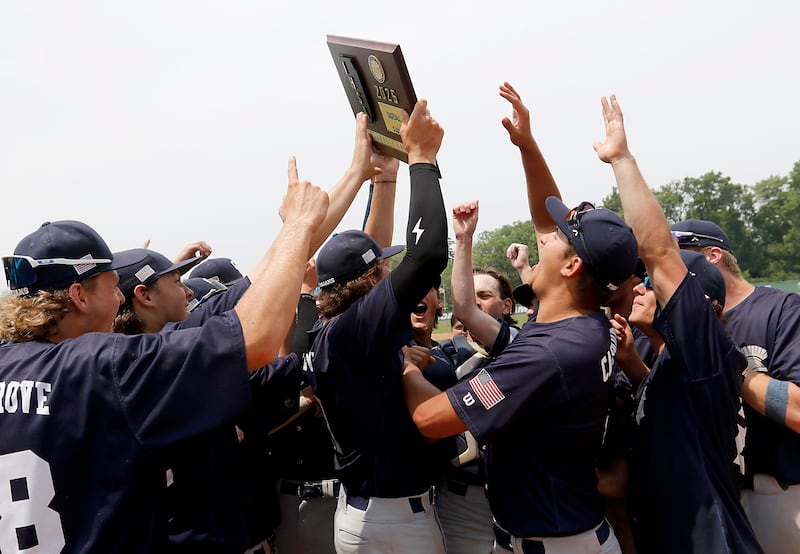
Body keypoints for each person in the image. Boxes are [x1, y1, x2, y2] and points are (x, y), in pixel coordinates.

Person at [0, 165, 327, 551]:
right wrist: (298, 225)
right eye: (110, 287)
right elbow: (255, 342)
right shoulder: (100, 363)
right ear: (78, 295)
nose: (120, 298)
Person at [403, 82, 637, 553]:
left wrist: (401, 366)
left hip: (555, 543)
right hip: (566, 531)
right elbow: (548, 219)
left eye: (558, 239)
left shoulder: (547, 352)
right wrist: (527, 145)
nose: (545, 237)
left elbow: (430, 419)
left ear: (571, 267)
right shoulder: (583, 324)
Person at [595, 93, 762, 553]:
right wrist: (632, 360)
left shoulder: (710, 355)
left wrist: (622, 159)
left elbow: (660, 252)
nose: (644, 287)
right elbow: (672, 406)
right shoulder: (675, 363)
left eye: (659, 285)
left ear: (700, 307)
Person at [304, 98, 449, 553]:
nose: (390, 274)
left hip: (362, 512)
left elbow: (372, 249)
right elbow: (424, 257)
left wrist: (384, 176)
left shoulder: (325, 324)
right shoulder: (351, 332)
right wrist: (422, 161)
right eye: (382, 271)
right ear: (369, 282)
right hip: (393, 521)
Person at [671, 218, 800, 551]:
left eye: (678, 256)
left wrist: (724, 364)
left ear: (712, 256)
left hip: (774, 494)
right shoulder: (677, 326)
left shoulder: (781, 309)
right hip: (710, 499)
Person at [113, 247, 203, 334]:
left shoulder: (117, 347)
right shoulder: (170, 347)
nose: (190, 292)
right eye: (177, 281)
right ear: (146, 296)